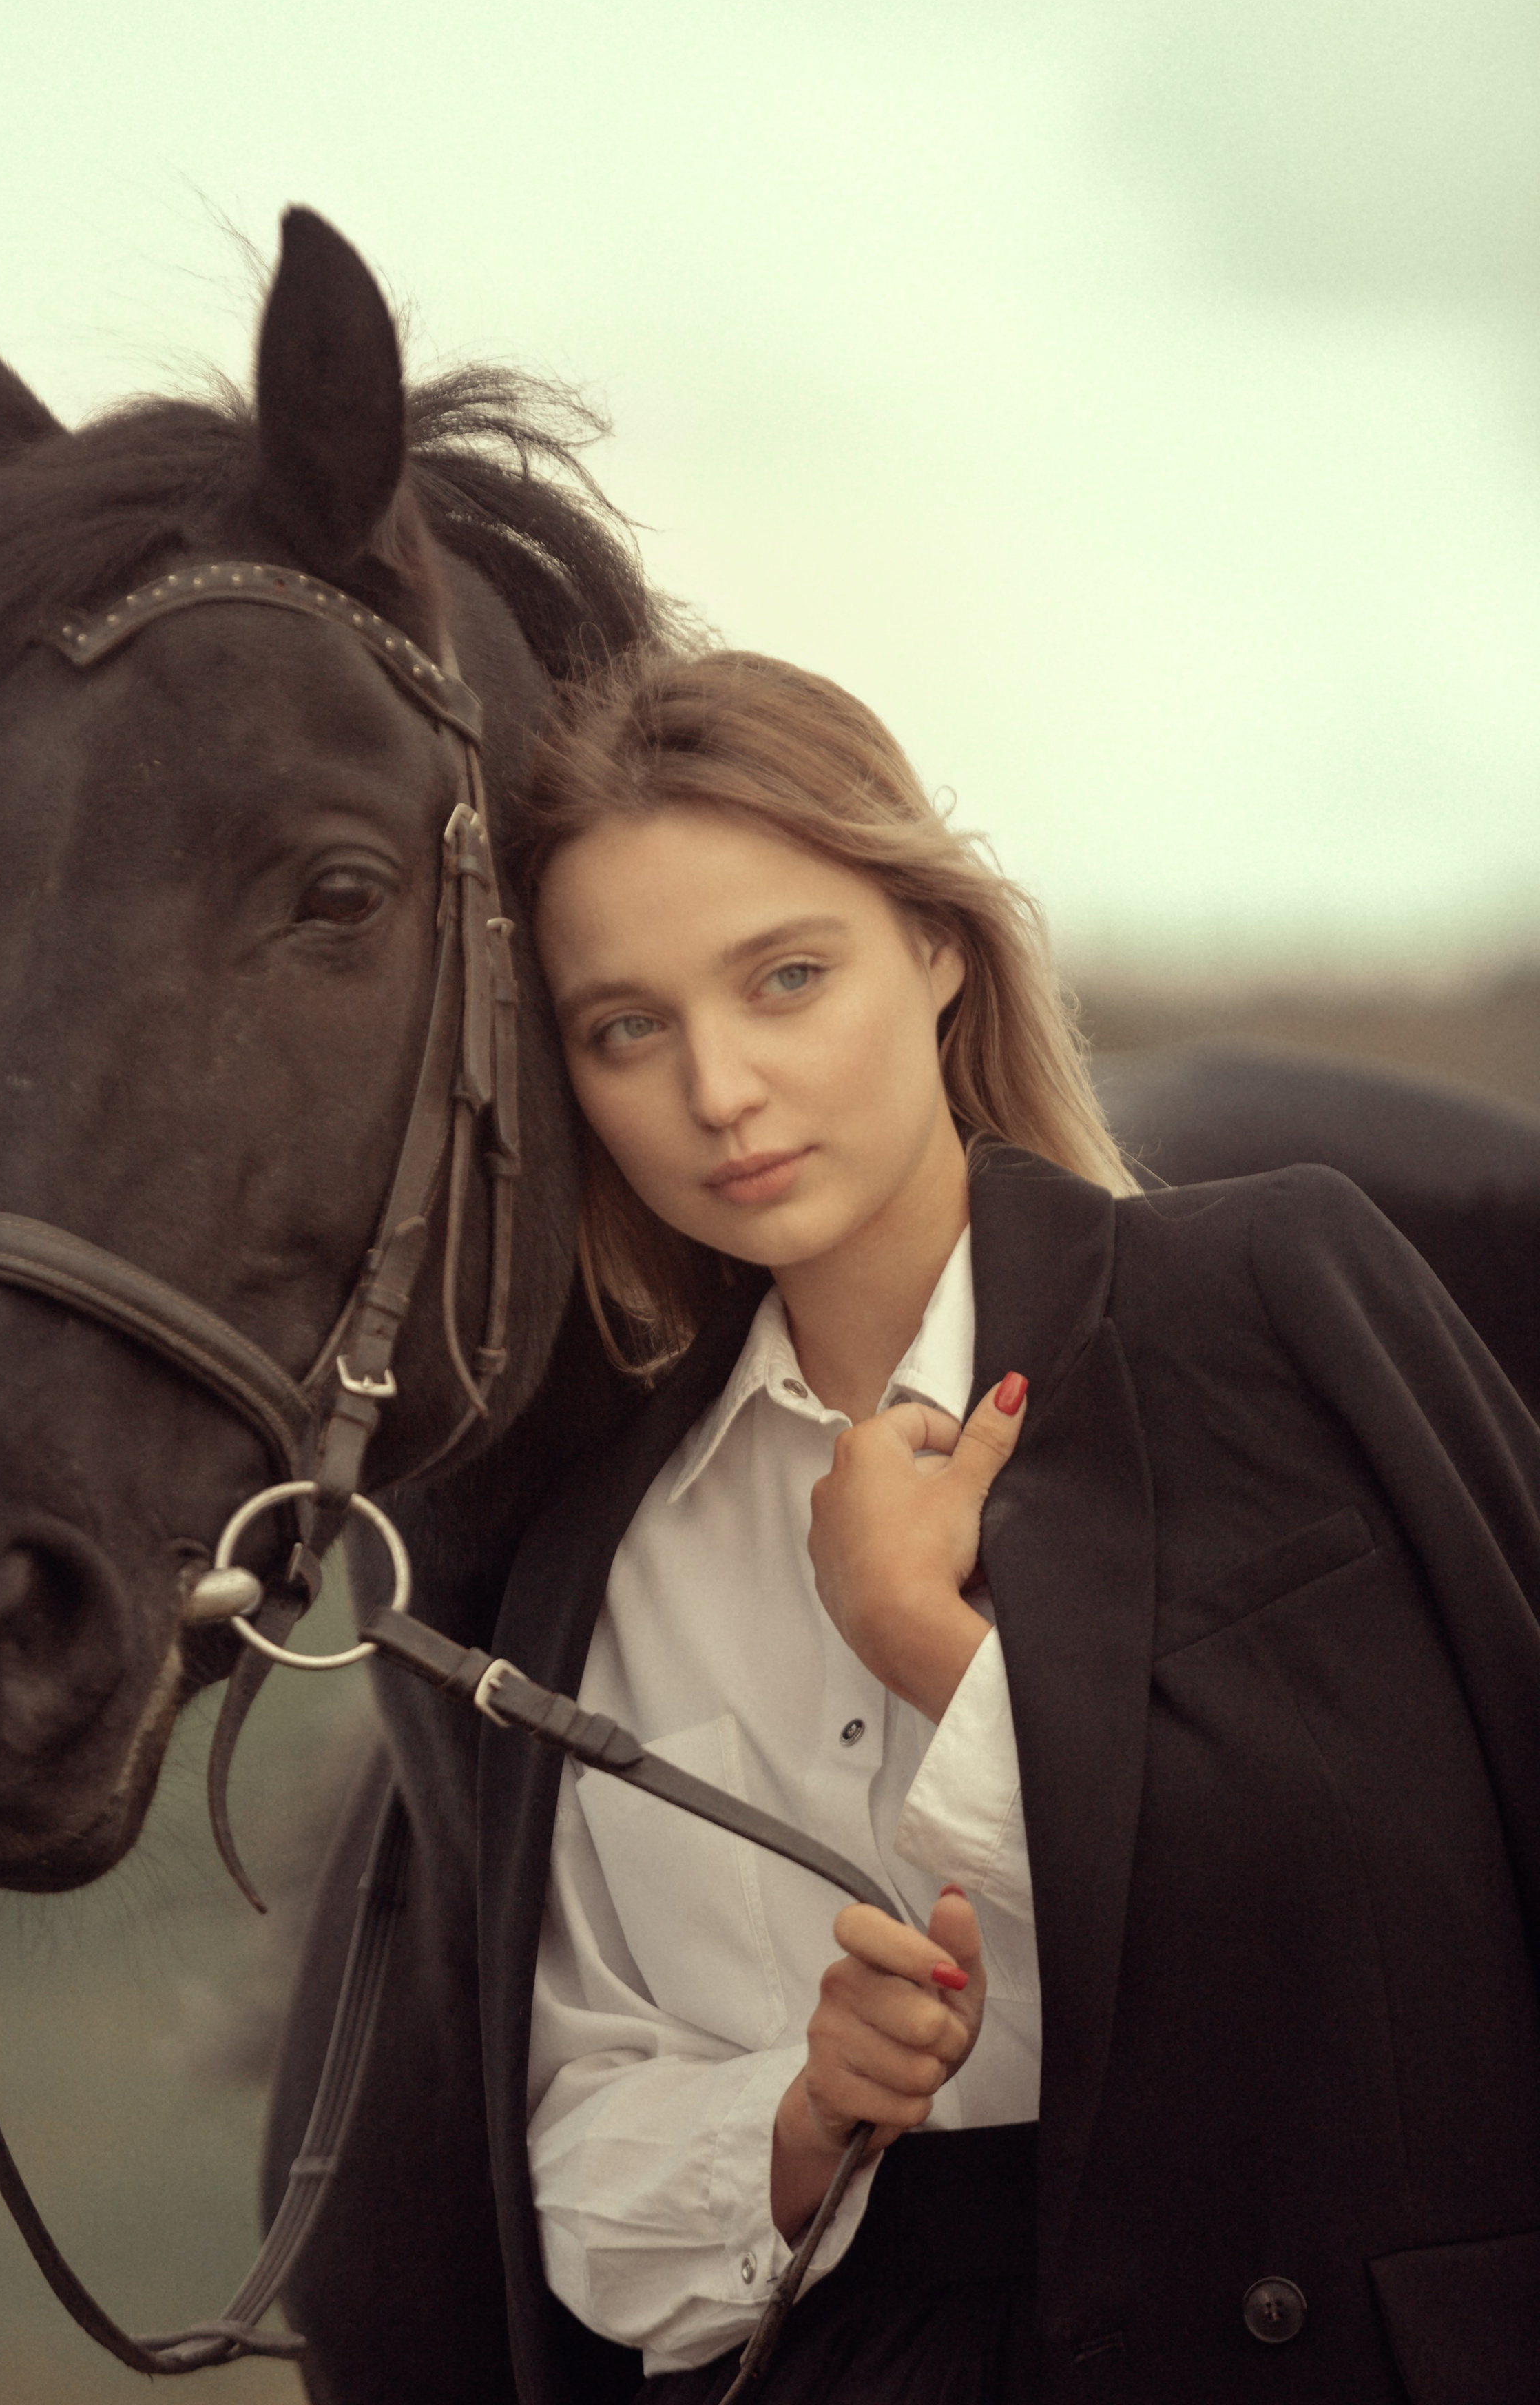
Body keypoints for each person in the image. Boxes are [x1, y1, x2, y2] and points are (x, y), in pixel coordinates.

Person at [451, 646, 1540, 2405]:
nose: (717, 1088)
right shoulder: (603, 1552)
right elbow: (578, 2163)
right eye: (625, 1027)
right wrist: (795, 2120)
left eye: (786, 978)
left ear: (938, 946)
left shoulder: (1274, 1304)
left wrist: (939, 1656)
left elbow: (1415, 1926)